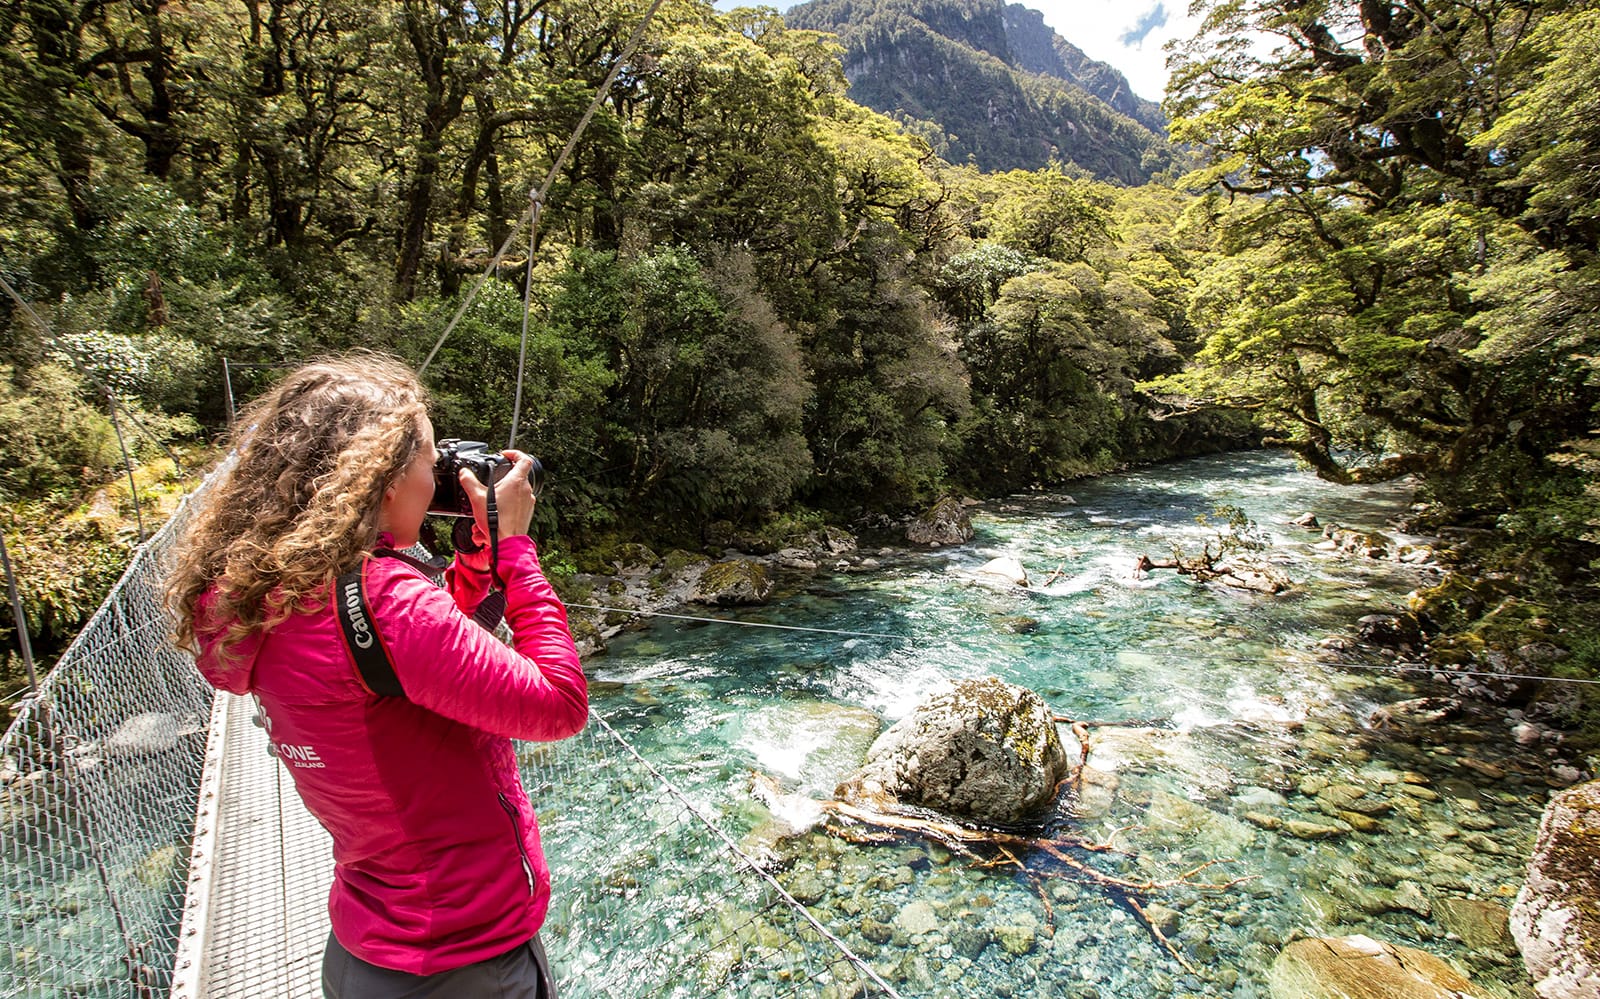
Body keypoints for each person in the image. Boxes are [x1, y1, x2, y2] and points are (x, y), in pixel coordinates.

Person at [167, 354, 587, 998]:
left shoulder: (261, 591)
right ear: (384, 482)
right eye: (429, 456)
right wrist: (516, 555)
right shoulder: (384, 602)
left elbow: (418, 661)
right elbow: (559, 706)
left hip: (367, 947)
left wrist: (475, 563)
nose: (440, 473)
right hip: (466, 959)